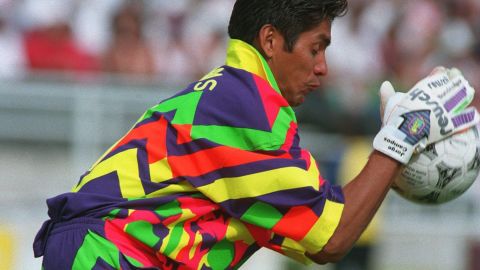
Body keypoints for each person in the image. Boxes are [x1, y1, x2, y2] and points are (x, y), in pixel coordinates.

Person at [33, 0, 479, 269]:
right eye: (316, 48)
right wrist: (405, 134)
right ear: (270, 41)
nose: (322, 67)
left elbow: (318, 230)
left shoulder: (236, 96)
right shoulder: (248, 109)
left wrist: (390, 154)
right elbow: (332, 238)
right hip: (109, 254)